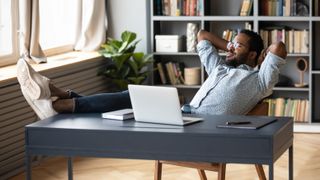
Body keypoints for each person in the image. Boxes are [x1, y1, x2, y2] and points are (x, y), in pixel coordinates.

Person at [17, 29, 287, 119]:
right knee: (135, 95)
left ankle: (60, 100)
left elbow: (279, 47)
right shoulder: (218, 66)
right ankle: (61, 98)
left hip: (206, 128)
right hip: (185, 114)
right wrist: (230, 47)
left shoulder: (259, 81)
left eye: (238, 45)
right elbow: (203, 36)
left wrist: (263, 59)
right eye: (230, 42)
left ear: (253, 55)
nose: (229, 46)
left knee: (135, 99)